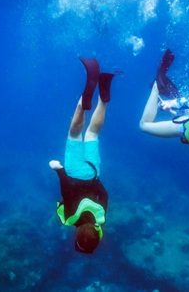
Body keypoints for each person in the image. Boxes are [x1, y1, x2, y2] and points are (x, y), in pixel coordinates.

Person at [49, 57, 118, 254]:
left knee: (92, 133)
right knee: (74, 134)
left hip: (93, 171)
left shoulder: (100, 218)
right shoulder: (71, 219)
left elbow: (104, 194)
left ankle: (103, 97)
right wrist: (58, 169)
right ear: (77, 236)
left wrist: (95, 180)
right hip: (73, 171)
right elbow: (67, 192)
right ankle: (84, 101)